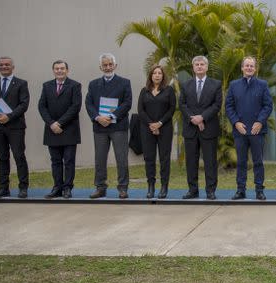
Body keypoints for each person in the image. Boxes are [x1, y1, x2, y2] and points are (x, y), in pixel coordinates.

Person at [0, 56, 30, 198]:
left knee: (19, 156)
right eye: (1, 65)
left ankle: (23, 187)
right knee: (2, 157)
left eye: (7, 64)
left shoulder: (21, 83)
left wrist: (9, 116)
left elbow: (24, 104)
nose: (4, 67)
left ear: (12, 67)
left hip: (15, 126)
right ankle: (3, 188)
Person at [85, 53, 132, 199]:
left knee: (121, 158)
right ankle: (100, 187)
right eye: (105, 65)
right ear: (100, 67)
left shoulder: (125, 82)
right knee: (99, 159)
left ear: (115, 65)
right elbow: (89, 103)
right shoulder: (93, 84)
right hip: (100, 127)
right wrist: (98, 117)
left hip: (118, 126)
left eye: (110, 64)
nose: (108, 67)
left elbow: (127, 103)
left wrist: (112, 116)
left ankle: (123, 188)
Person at [225, 56, 273, 200]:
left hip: (257, 130)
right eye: (246, 65)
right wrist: (236, 122)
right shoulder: (234, 85)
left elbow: (268, 105)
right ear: (242, 68)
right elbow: (229, 106)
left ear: (255, 68)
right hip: (240, 130)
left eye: (252, 66)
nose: (249, 68)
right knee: (241, 161)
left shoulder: (263, 84)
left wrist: (259, 122)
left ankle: (259, 190)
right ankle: (241, 190)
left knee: (258, 161)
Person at [179, 55, 222, 200]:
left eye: (202, 64)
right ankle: (193, 190)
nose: (199, 66)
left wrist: (202, 117)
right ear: (193, 67)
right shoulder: (185, 85)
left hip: (208, 128)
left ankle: (210, 191)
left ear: (207, 67)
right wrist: (194, 119)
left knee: (210, 161)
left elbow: (217, 105)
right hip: (191, 129)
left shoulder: (216, 84)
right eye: (196, 64)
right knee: (191, 161)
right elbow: (182, 105)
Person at [37, 59, 81, 199]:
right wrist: (51, 123)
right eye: (57, 68)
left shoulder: (75, 85)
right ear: (53, 70)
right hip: (51, 130)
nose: (60, 71)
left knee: (68, 161)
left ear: (67, 70)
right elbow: (42, 106)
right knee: (55, 161)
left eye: (62, 68)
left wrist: (60, 123)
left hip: (69, 129)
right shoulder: (46, 86)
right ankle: (57, 187)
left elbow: (75, 107)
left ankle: (67, 188)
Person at [137, 65, 176, 199]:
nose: (157, 75)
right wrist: (151, 125)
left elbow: (171, 109)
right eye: (155, 73)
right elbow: (140, 110)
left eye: (160, 73)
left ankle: (164, 187)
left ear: (163, 76)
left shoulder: (169, 90)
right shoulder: (144, 91)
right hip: (147, 129)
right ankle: (151, 186)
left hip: (165, 128)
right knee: (149, 158)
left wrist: (159, 123)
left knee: (164, 158)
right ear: (151, 76)